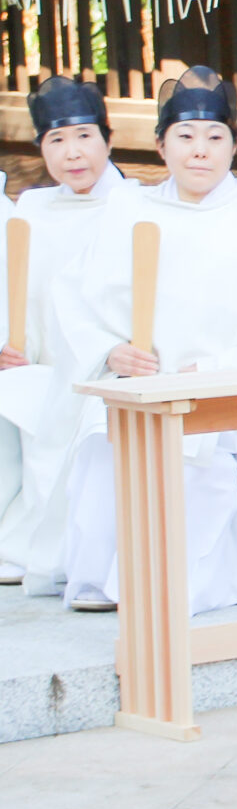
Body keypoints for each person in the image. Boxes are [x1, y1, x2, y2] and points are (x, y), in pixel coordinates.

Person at [52, 68, 237, 612]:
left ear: (233, 144)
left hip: (231, 386)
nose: (199, 151)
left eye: (214, 136)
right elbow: (77, 299)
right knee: (97, 432)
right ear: (160, 144)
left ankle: (192, 582)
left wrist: (218, 369)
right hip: (142, 383)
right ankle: (108, 578)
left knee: (193, 443)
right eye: (184, 136)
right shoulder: (127, 211)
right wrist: (110, 350)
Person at [0, 76, 127, 591]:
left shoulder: (136, 207)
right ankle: (25, 543)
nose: (72, 154)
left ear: (107, 139)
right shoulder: (29, 210)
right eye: (56, 140)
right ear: (41, 149)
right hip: (41, 364)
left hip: (108, 367)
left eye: (83, 136)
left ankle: (95, 560)